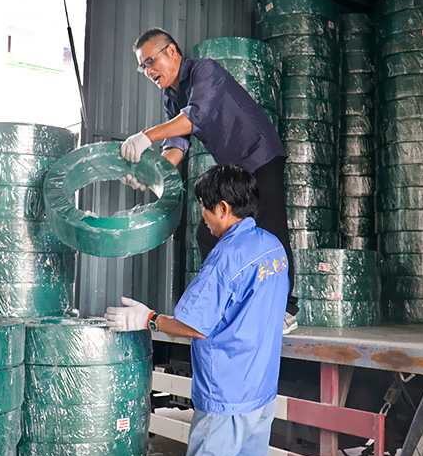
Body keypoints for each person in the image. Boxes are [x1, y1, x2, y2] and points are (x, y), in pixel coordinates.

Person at [120, 27, 298, 333]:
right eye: (143, 67)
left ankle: (286, 309)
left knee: (271, 227)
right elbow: (177, 146)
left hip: (261, 154)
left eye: (150, 61)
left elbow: (195, 117)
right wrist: (151, 176)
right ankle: (221, 303)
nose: (148, 71)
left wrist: (146, 136)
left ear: (171, 52)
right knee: (208, 233)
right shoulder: (171, 96)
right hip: (235, 169)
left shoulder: (205, 70)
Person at [106, 165, 289, 456]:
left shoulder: (225, 258)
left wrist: (148, 319)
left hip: (227, 397)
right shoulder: (272, 247)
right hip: (261, 392)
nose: (202, 215)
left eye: (204, 207)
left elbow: (194, 325)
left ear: (223, 208)